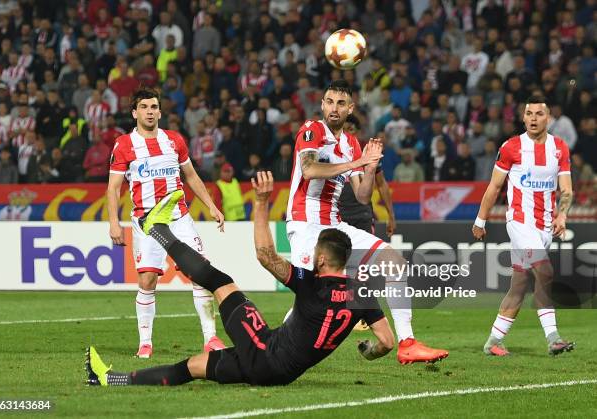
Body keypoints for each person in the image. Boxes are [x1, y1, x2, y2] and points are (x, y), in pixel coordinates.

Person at [85, 172, 396, 387]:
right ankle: (110, 379)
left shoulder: (311, 283)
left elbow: (265, 255)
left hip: (262, 350)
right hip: (277, 372)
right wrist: (367, 351)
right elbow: (386, 342)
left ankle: (155, 228)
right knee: (194, 367)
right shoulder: (362, 293)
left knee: (220, 281)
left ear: (323, 259)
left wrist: (261, 203)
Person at [285, 80, 448, 364]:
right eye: (329, 101)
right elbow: (309, 170)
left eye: (340, 103)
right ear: (322, 104)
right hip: (305, 223)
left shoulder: (351, 143)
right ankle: (271, 345)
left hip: (334, 224)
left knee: (393, 260)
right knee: (310, 293)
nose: (334, 108)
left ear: (350, 109)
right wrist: (356, 164)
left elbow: (362, 196)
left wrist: (370, 169)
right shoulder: (312, 131)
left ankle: (407, 342)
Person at [106, 87, 226, 359]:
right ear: (135, 112)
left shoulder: (174, 140)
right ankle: (145, 343)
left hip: (179, 218)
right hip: (147, 222)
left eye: (154, 107)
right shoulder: (124, 144)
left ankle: (211, 339)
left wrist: (211, 205)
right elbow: (113, 188)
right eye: (144, 107)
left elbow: (192, 176)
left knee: (200, 274)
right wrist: (114, 223)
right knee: (148, 279)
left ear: (160, 111)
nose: (150, 111)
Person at [472, 95, 575, 357]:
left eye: (539, 114)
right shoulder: (511, 147)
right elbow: (494, 186)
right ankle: (553, 338)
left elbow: (567, 190)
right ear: (523, 117)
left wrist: (562, 215)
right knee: (546, 270)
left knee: (518, 285)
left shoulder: (560, 148)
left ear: (548, 117)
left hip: (544, 226)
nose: (533, 118)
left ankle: (493, 341)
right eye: (528, 113)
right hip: (519, 221)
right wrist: (480, 220)